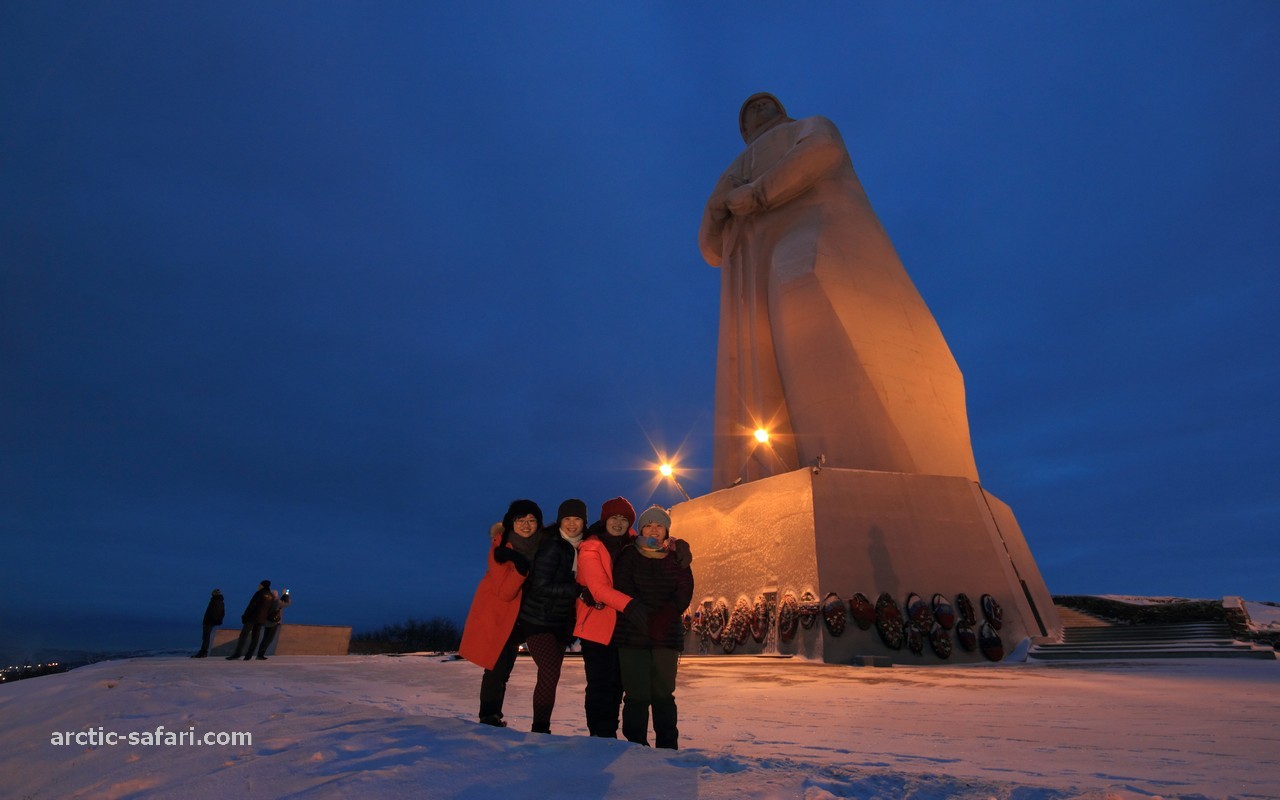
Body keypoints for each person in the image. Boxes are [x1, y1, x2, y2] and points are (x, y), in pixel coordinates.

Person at [698, 92, 979, 488]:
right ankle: (781, 470)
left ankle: (855, 460)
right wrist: (718, 208)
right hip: (754, 271)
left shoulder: (807, 126)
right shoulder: (731, 170)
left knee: (805, 290)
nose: (760, 109)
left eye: (765, 103)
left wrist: (759, 192)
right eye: (750, 110)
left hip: (819, 231)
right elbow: (710, 248)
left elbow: (821, 151)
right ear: (744, 129)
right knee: (767, 345)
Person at [612, 505, 694, 749]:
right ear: (641, 529)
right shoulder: (629, 555)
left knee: (663, 694)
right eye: (649, 525)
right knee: (636, 694)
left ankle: (667, 745)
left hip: (666, 636)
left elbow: (684, 590)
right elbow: (624, 588)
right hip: (632, 636)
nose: (654, 530)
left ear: (666, 530)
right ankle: (636, 744)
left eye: (659, 525)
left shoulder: (676, 556)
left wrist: (666, 616)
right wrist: (646, 620)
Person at [458, 499, 542, 728]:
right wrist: (521, 569)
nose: (526, 525)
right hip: (499, 616)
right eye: (520, 520)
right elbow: (505, 593)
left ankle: (492, 714)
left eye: (531, 520)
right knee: (496, 668)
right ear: (510, 523)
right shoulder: (501, 548)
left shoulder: (540, 547)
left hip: (521, 617)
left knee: (505, 668)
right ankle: (489, 716)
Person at [574, 496, 647, 738]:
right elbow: (598, 589)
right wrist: (631, 605)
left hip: (623, 626)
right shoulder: (590, 547)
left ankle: (609, 733)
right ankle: (600, 734)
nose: (618, 522)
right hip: (597, 625)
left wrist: (680, 546)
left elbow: (663, 544)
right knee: (600, 684)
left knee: (618, 684)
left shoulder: (635, 544)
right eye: (614, 517)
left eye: (624, 519)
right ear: (605, 520)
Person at [513, 498, 585, 733]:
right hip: (537, 621)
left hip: (560, 624)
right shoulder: (553, 545)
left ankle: (542, 726)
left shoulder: (581, 545)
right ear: (560, 521)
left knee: (551, 676)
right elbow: (540, 585)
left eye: (577, 519)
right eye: (567, 519)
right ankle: (540, 728)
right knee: (549, 670)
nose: (572, 524)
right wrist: (574, 590)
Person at [226, 580, 272, 660]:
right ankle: (249, 655)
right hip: (261, 619)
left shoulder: (259, 593)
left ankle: (237, 653)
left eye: (260, 584)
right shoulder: (271, 596)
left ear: (263, 585)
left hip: (253, 617)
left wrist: (245, 616)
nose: (258, 586)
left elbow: (252, 605)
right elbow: (270, 609)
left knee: (244, 635)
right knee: (255, 637)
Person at [254, 589, 292, 660]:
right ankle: (260, 654)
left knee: (265, 638)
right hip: (273, 623)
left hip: (266, 622)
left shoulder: (268, 601)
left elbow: (279, 604)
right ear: (276, 595)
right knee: (269, 639)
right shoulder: (277, 602)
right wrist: (286, 594)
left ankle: (259, 654)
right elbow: (286, 604)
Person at [193, 589, 224, 658]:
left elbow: (213, 613)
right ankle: (203, 652)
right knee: (206, 637)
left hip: (209, 622)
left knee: (205, 637)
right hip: (211, 621)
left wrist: (213, 620)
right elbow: (222, 613)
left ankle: (203, 652)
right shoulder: (220, 602)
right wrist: (218, 621)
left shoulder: (214, 601)